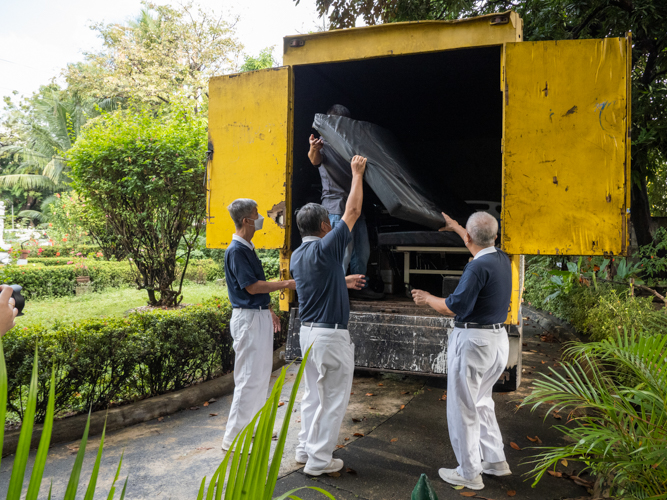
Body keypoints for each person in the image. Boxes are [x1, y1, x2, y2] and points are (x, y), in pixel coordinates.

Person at [411, 211, 512, 491]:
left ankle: (469, 472)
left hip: (473, 342)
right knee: (481, 401)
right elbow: (475, 241)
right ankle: (495, 461)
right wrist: (456, 227)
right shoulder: (502, 258)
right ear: (495, 236)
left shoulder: (476, 268)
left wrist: (427, 298)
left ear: (469, 237)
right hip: (497, 341)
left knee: (463, 408)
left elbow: (452, 306)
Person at [290, 155, 368, 476]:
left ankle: (304, 449)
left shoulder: (298, 255)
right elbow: (351, 212)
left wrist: (343, 280)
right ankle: (320, 461)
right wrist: (356, 174)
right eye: (330, 224)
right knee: (333, 400)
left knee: (312, 396)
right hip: (331, 336)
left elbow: (322, 279)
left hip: (306, 333)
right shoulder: (328, 247)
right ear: (325, 226)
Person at [221, 199, 297, 451]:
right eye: (256, 213)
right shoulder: (236, 250)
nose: (260, 217)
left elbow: (255, 288)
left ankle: (250, 429)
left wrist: (268, 309)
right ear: (246, 220)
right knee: (248, 378)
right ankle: (233, 438)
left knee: (260, 376)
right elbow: (252, 286)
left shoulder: (247, 247)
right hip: (248, 318)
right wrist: (285, 284)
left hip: (256, 314)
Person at [308, 105, 382, 300]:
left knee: (361, 251)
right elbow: (314, 159)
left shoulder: (350, 144)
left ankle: (358, 288)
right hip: (336, 207)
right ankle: (336, 289)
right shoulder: (323, 144)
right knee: (342, 254)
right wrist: (313, 149)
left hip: (355, 207)